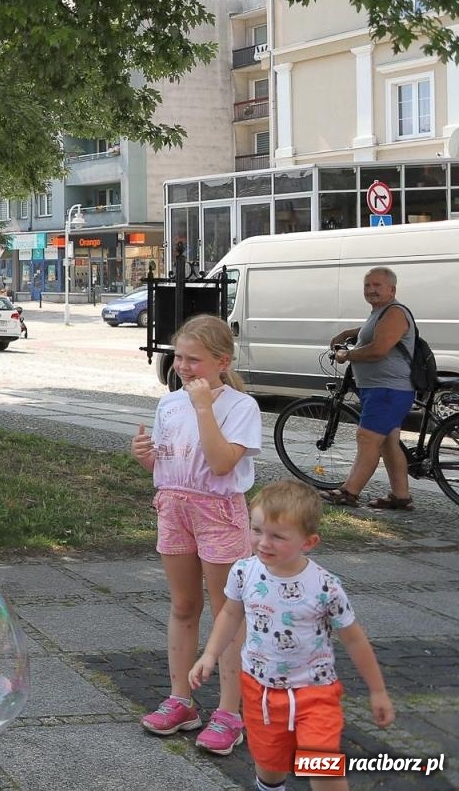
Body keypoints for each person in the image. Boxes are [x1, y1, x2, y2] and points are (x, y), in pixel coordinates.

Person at [190, 480, 394, 791]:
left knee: (322, 766)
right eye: (257, 530)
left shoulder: (325, 586)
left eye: (278, 536)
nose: (263, 543)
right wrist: (209, 654)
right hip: (260, 690)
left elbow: (354, 639)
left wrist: (377, 691)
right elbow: (230, 615)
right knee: (269, 766)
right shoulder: (244, 572)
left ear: (308, 542)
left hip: (315, 693)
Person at [131, 314, 262, 757]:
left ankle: (229, 712)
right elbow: (169, 464)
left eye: (194, 360)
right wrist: (145, 457)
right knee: (184, 605)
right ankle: (181, 700)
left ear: (222, 362)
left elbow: (221, 463)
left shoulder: (240, 407)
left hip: (218, 513)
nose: (183, 367)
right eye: (179, 357)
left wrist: (204, 407)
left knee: (227, 612)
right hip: (174, 508)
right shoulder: (169, 404)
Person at [322, 267, 417, 510]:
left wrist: (346, 355)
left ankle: (349, 492)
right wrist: (350, 332)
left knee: (367, 439)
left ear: (392, 289)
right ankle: (401, 496)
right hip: (382, 389)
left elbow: (378, 350)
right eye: (367, 285)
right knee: (388, 443)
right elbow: (375, 330)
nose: (371, 290)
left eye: (377, 285)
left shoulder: (395, 312)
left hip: (388, 390)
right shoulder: (381, 312)